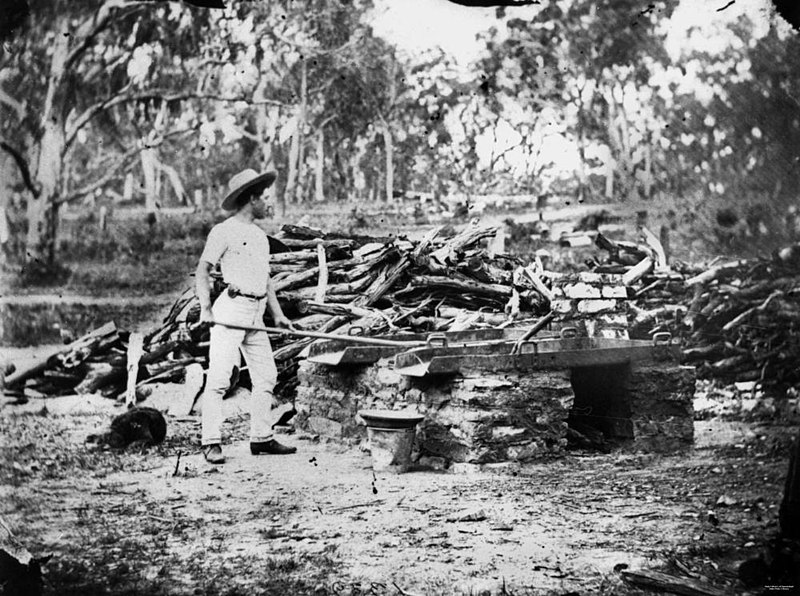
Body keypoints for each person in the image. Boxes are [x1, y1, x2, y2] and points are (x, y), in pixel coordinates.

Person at [195, 169, 297, 464]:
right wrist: (206, 308)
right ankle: (211, 441)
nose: (269, 203)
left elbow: (265, 281)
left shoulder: (259, 237)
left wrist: (277, 316)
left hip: (256, 313)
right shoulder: (223, 231)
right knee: (219, 378)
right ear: (251, 199)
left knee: (267, 376)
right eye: (265, 198)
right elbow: (203, 271)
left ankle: (261, 437)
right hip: (231, 311)